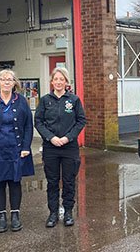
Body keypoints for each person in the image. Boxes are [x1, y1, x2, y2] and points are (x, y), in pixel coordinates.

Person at [0, 69, 35, 233]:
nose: (6, 82)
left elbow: (28, 126)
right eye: (3, 79)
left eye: (10, 80)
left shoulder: (21, 101)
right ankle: (1, 216)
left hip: (16, 149)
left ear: (15, 83)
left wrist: (26, 147)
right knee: (0, 183)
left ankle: (15, 215)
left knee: (15, 182)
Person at [35, 67, 86, 228]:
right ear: (52, 82)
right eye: (55, 79)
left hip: (69, 147)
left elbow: (81, 121)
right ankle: (53, 213)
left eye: (61, 79)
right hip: (51, 148)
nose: (58, 82)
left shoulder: (74, 100)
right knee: (52, 181)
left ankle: (69, 212)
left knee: (69, 181)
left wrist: (67, 137)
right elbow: (38, 122)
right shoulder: (45, 100)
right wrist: (51, 138)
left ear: (66, 81)